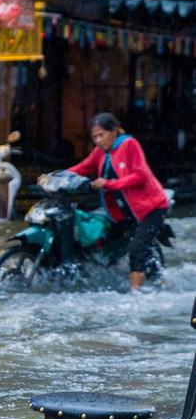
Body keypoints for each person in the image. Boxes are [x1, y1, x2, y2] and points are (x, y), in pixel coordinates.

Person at [63, 112, 171, 291]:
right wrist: (55, 176)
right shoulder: (100, 152)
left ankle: (134, 294)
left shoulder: (129, 144)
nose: (97, 140)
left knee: (136, 249)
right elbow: (83, 167)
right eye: (94, 136)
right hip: (126, 211)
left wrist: (109, 183)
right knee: (106, 239)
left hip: (152, 208)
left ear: (113, 132)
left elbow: (140, 175)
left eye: (101, 135)